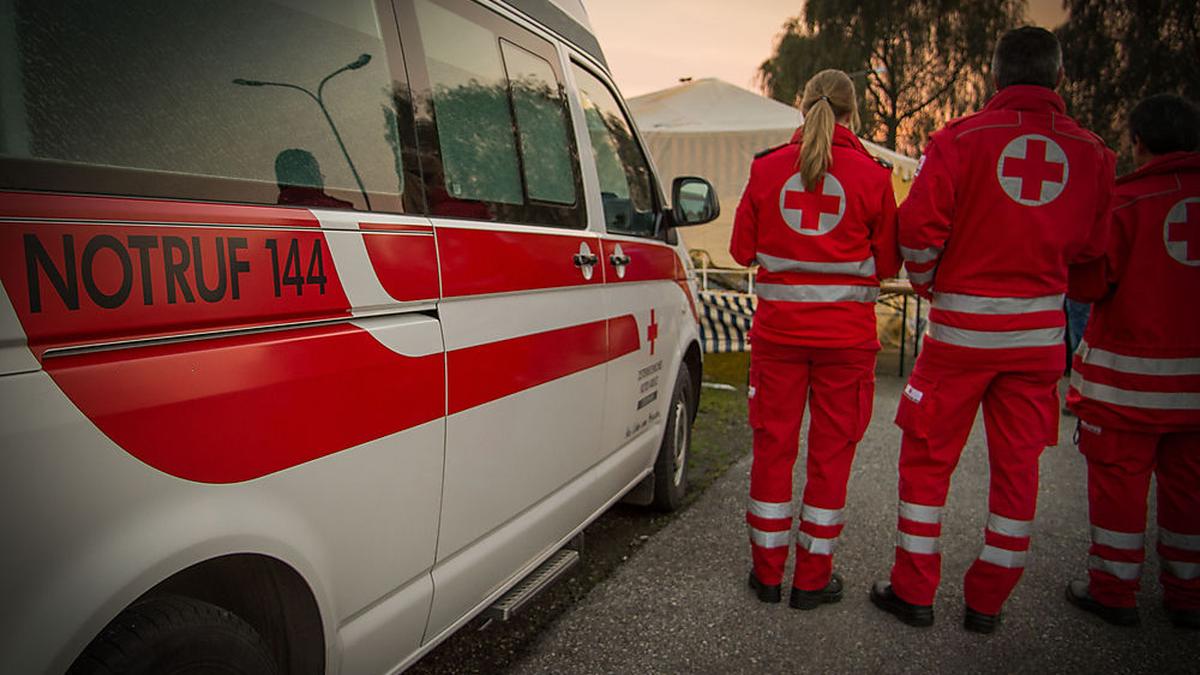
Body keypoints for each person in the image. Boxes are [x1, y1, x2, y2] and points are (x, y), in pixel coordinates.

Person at [869, 26, 1116, 633]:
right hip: (1037, 343)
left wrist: (930, 284)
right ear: (1058, 78)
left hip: (958, 337)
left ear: (996, 77)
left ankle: (914, 590)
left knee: (926, 461)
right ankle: (987, 601)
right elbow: (1093, 259)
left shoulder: (959, 140)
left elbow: (918, 230)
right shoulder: (1095, 155)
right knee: (1018, 469)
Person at [731, 69, 901, 610]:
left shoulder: (766, 169)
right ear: (854, 114)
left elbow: (740, 251)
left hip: (778, 339)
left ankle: (766, 574)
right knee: (831, 458)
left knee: (772, 450)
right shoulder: (874, 177)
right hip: (847, 347)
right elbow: (890, 260)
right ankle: (811, 580)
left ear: (801, 107)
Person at [1063, 93, 1200, 630]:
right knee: (1190, 488)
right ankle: (1188, 595)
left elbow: (1091, 282)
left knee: (1119, 485)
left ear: (1139, 142)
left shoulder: (1126, 202)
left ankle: (1114, 590)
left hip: (1128, 382)